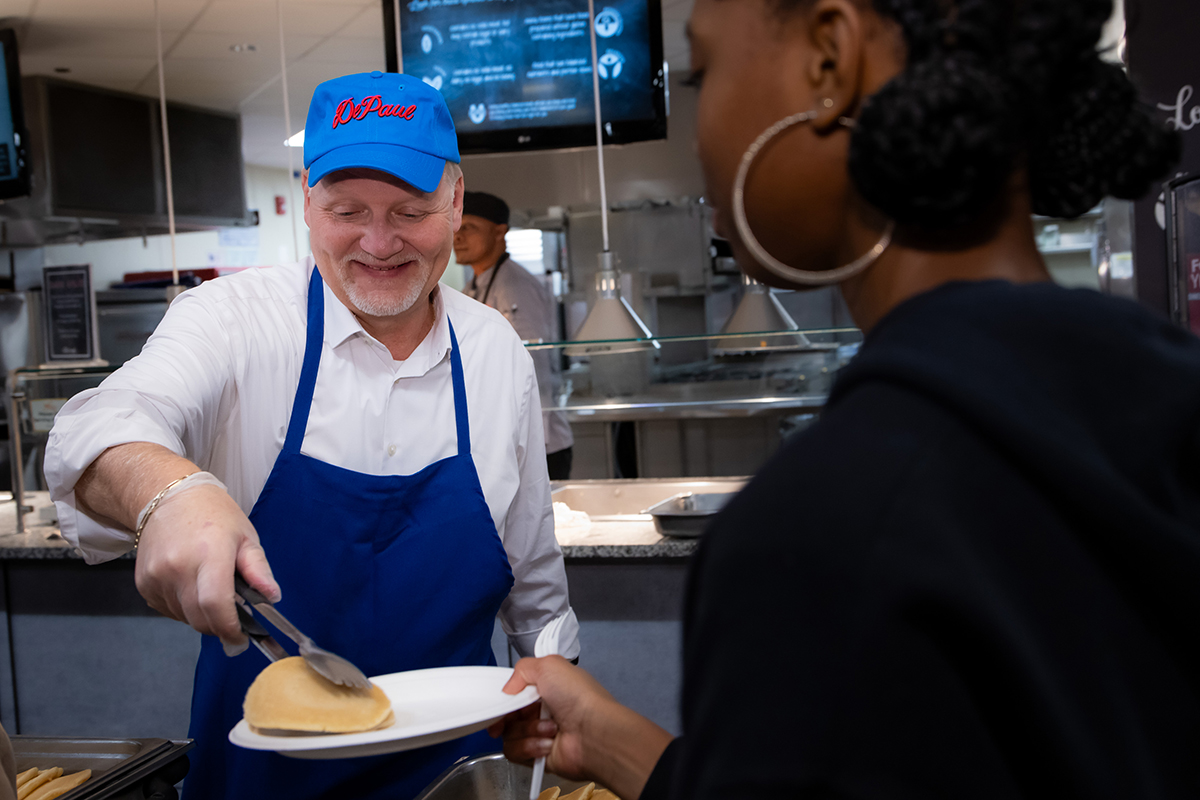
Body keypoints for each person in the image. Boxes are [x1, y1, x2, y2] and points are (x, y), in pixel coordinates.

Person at [491, 0, 1200, 797]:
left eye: (704, 71)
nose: (699, 136)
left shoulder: (827, 528)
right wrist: (615, 743)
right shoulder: (1161, 389)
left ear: (830, 63)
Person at [44, 71, 579, 800]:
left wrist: (553, 690)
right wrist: (171, 494)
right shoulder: (236, 321)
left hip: (458, 778)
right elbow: (101, 425)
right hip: (263, 781)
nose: (378, 241)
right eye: (346, 209)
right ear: (307, 201)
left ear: (455, 202)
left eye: (411, 210)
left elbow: (536, 592)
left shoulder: (494, 353)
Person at [455, 191, 575, 479]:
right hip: (504, 438)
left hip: (538, 442)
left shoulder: (514, 286)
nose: (457, 236)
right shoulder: (475, 283)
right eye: (456, 226)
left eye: (469, 227)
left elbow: (530, 362)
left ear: (500, 233)